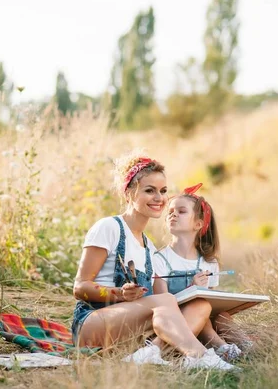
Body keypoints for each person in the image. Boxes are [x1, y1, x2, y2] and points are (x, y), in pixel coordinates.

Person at [71, 154, 236, 370]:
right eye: (150, 190)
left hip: (129, 330)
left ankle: (150, 352)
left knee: (199, 305)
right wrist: (118, 293)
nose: (159, 198)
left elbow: (164, 306)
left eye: (163, 191)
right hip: (92, 323)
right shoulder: (109, 228)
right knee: (165, 300)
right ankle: (200, 356)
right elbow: (80, 287)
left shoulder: (149, 247)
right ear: (129, 193)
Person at [152, 183, 253, 361]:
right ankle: (221, 348)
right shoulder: (158, 259)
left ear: (198, 224)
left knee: (223, 316)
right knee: (201, 306)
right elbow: (162, 305)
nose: (173, 214)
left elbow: (211, 303)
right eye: (170, 212)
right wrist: (191, 289)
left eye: (181, 211)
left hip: (203, 319)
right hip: (177, 323)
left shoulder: (208, 262)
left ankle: (247, 348)